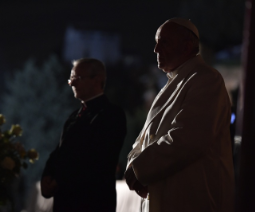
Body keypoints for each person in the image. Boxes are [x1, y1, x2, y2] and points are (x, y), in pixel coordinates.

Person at [125, 18, 234, 212]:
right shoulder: (173, 84)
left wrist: (139, 168)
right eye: (156, 42)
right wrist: (133, 163)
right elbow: (144, 139)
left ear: (187, 46)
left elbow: (189, 137)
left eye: (164, 42)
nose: (155, 49)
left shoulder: (205, 79)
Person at [41, 58, 127, 212]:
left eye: (78, 78)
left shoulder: (111, 115)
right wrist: (47, 175)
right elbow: (60, 152)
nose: (72, 84)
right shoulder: (74, 116)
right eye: (71, 79)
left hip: (92, 203)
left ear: (97, 80)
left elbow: (96, 159)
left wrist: (59, 180)